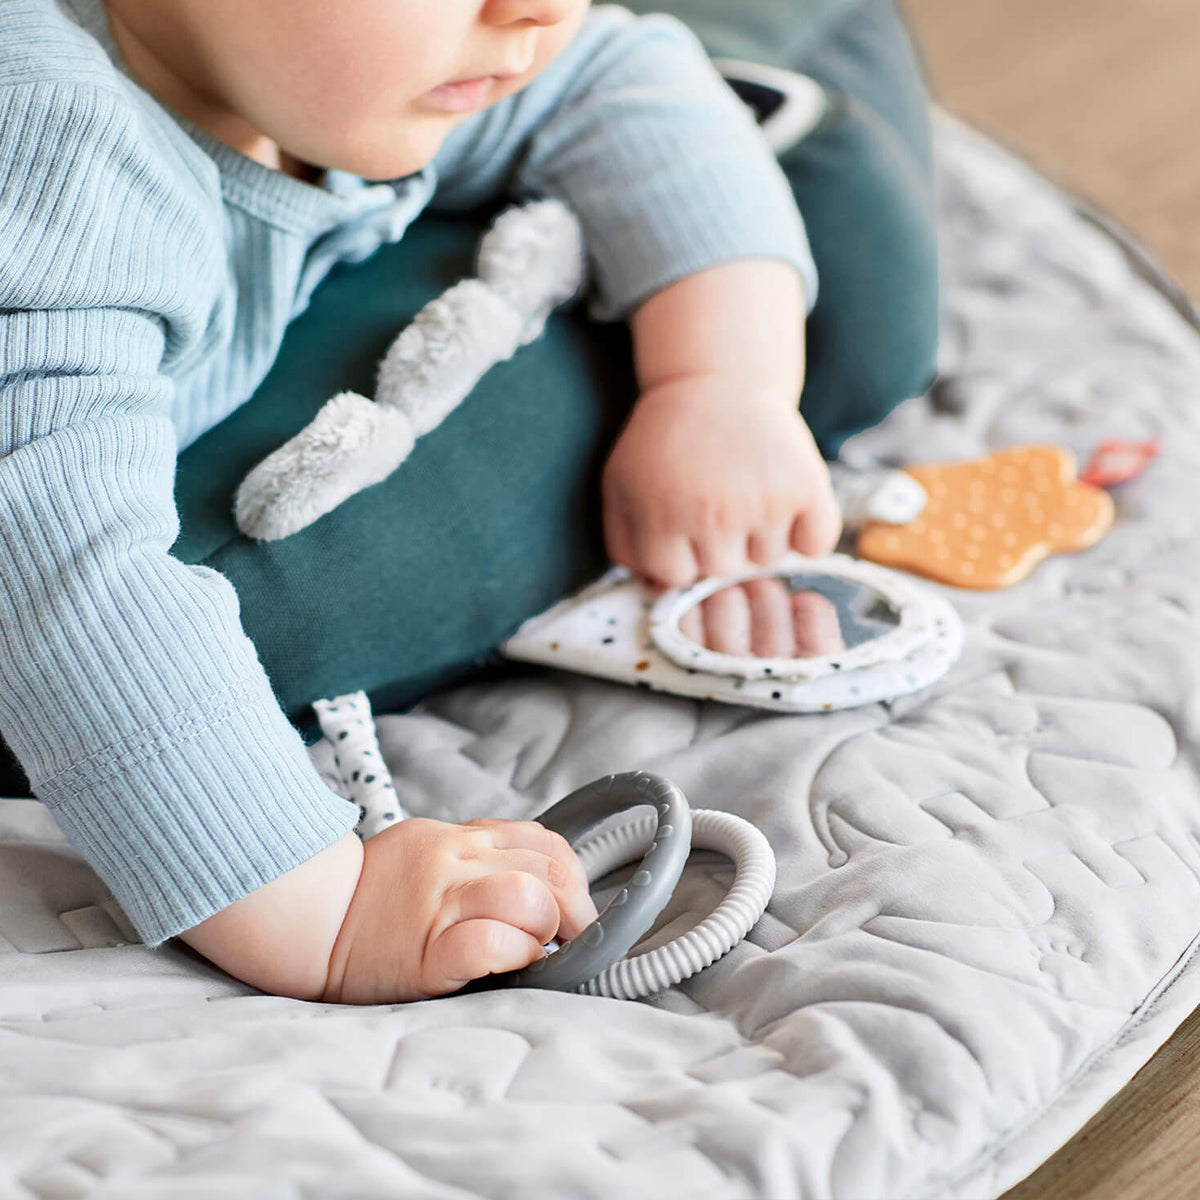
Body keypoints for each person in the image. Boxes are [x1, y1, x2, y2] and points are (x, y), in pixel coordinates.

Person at [0, 0, 936, 1003]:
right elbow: (60, 573)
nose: (536, 6)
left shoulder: (326, 64)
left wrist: (723, 388)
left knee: (837, 184)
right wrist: (324, 910)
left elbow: (614, 80)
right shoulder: (53, 149)